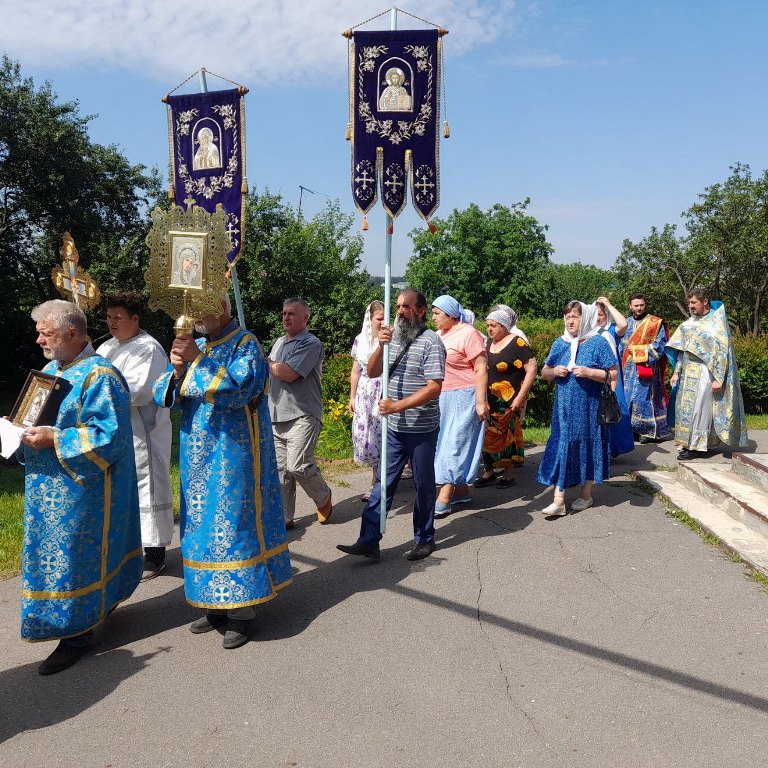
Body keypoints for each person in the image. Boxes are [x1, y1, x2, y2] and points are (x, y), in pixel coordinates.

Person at [154, 295, 292, 649]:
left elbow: (238, 391)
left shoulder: (246, 344)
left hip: (233, 454)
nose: (196, 316)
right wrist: (178, 371)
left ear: (223, 308)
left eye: (203, 307)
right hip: (196, 455)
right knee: (200, 529)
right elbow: (164, 396)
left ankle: (242, 610)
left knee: (231, 526)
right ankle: (214, 603)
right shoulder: (198, 345)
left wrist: (197, 361)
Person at [18, 300, 142, 675]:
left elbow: (110, 437)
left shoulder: (101, 376)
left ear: (71, 333)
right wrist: (16, 429)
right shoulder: (49, 370)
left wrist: (55, 439)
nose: (39, 339)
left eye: (46, 333)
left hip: (80, 490)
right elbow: (32, 417)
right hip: (44, 488)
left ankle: (77, 633)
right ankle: (84, 615)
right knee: (48, 557)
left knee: (74, 559)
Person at [337, 289, 446, 561]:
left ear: (421, 311)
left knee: (423, 484)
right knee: (382, 483)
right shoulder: (392, 337)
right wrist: (380, 346)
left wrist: (397, 405)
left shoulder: (432, 342)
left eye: (406, 307)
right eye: (397, 306)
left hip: (421, 428)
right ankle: (368, 539)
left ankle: (425, 538)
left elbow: (434, 387)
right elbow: (372, 371)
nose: (399, 312)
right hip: (394, 428)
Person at [98, 291, 173, 580]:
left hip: (143, 432)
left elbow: (139, 391)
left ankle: (155, 555)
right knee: (122, 492)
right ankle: (127, 553)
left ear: (135, 318)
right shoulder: (106, 347)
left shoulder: (148, 348)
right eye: (108, 317)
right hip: (116, 432)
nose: (111, 322)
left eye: (118, 317)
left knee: (148, 488)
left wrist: (96, 392)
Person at [536, 301, 617, 515]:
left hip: (589, 407)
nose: (570, 321)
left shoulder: (597, 342)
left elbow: (613, 373)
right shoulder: (560, 343)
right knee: (562, 445)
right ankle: (558, 500)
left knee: (588, 445)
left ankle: (586, 495)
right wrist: (554, 372)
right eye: (567, 317)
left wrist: (590, 372)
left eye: (575, 317)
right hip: (563, 410)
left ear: (586, 318)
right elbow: (544, 373)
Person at [267, 297, 332, 529]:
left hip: (303, 414)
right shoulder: (278, 342)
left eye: (292, 314)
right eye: (284, 313)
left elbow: (289, 373)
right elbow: (272, 373)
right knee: (281, 471)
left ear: (305, 318)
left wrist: (266, 363)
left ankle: (323, 497)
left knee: (298, 465)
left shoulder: (311, 343)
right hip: (276, 414)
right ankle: (285, 517)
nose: (286, 317)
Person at [665, 287, 748, 459]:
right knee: (685, 409)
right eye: (689, 303)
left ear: (705, 301)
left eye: (693, 302)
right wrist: (676, 372)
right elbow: (683, 350)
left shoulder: (717, 324)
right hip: (688, 371)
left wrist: (718, 379)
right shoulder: (690, 323)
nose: (690, 306)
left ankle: (696, 446)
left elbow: (723, 354)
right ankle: (690, 443)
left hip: (705, 372)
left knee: (700, 409)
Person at [431, 294, 488, 517]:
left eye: (437, 313)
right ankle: (461, 491)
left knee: (455, 444)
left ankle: (444, 496)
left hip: (465, 395)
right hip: (443, 396)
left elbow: (481, 368)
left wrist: (480, 402)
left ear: (450, 314)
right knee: (443, 443)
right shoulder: (438, 336)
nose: (433, 317)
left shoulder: (468, 333)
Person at [475, 305, 537, 488]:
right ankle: (489, 471)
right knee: (487, 435)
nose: (489, 329)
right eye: (488, 325)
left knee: (507, 436)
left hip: (509, 400)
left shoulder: (517, 343)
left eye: (493, 325)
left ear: (503, 326)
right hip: (489, 400)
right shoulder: (488, 343)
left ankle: (508, 474)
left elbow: (532, 368)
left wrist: (520, 397)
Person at [618, 293, 671, 443]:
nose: (639, 308)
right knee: (628, 399)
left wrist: (638, 350)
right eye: (636, 305)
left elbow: (661, 345)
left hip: (647, 368)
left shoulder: (655, 322)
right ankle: (630, 430)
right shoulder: (625, 323)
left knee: (644, 399)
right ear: (630, 306)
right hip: (627, 370)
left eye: (641, 305)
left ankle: (646, 431)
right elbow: (619, 345)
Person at [349, 301, 385, 501]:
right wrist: (352, 396)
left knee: (381, 434)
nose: (382, 322)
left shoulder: (388, 339)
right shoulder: (360, 340)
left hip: (382, 390)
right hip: (365, 393)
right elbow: (356, 371)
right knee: (368, 436)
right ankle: (377, 477)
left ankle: (376, 483)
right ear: (369, 319)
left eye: (384, 318)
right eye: (379, 318)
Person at [594, 297, 634, 458]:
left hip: (611, 375)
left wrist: (608, 304)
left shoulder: (611, 330)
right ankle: (599, 449)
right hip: (594, 374)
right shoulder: (589, 332)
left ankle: (613, 448)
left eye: (601, 315)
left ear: (607, 316)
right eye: (595, 315)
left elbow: (623, 324)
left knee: (612, 408)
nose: (597, 318)